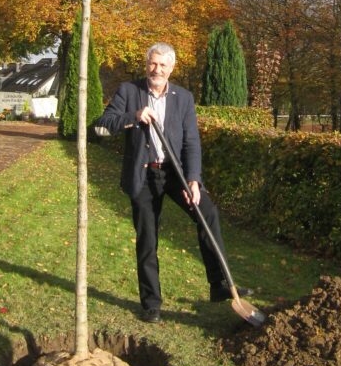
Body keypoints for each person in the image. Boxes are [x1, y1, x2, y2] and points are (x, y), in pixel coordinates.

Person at [95, 42, 251, 323]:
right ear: (146, 65)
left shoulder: (183, 98)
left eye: (163, 65)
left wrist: (193, 180)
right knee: (148, 239)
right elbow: (103, 123)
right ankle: (151, 303)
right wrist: (134, 116)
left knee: (208, 214)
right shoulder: (129, 92)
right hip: (143, 175)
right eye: (153, 64)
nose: (157, 70)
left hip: (175, 174)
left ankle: (219, 285)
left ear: (171, 68)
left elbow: (192, 142)